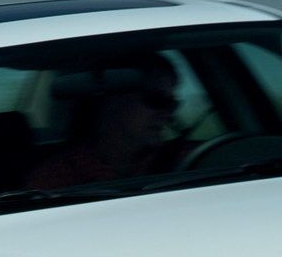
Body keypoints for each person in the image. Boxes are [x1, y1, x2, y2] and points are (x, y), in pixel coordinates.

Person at [26, 52, 180, 189]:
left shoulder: (186, 163)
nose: (167, 114)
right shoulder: (54, 181)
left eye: (172, 103)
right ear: (113, 102)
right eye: (157, 100)